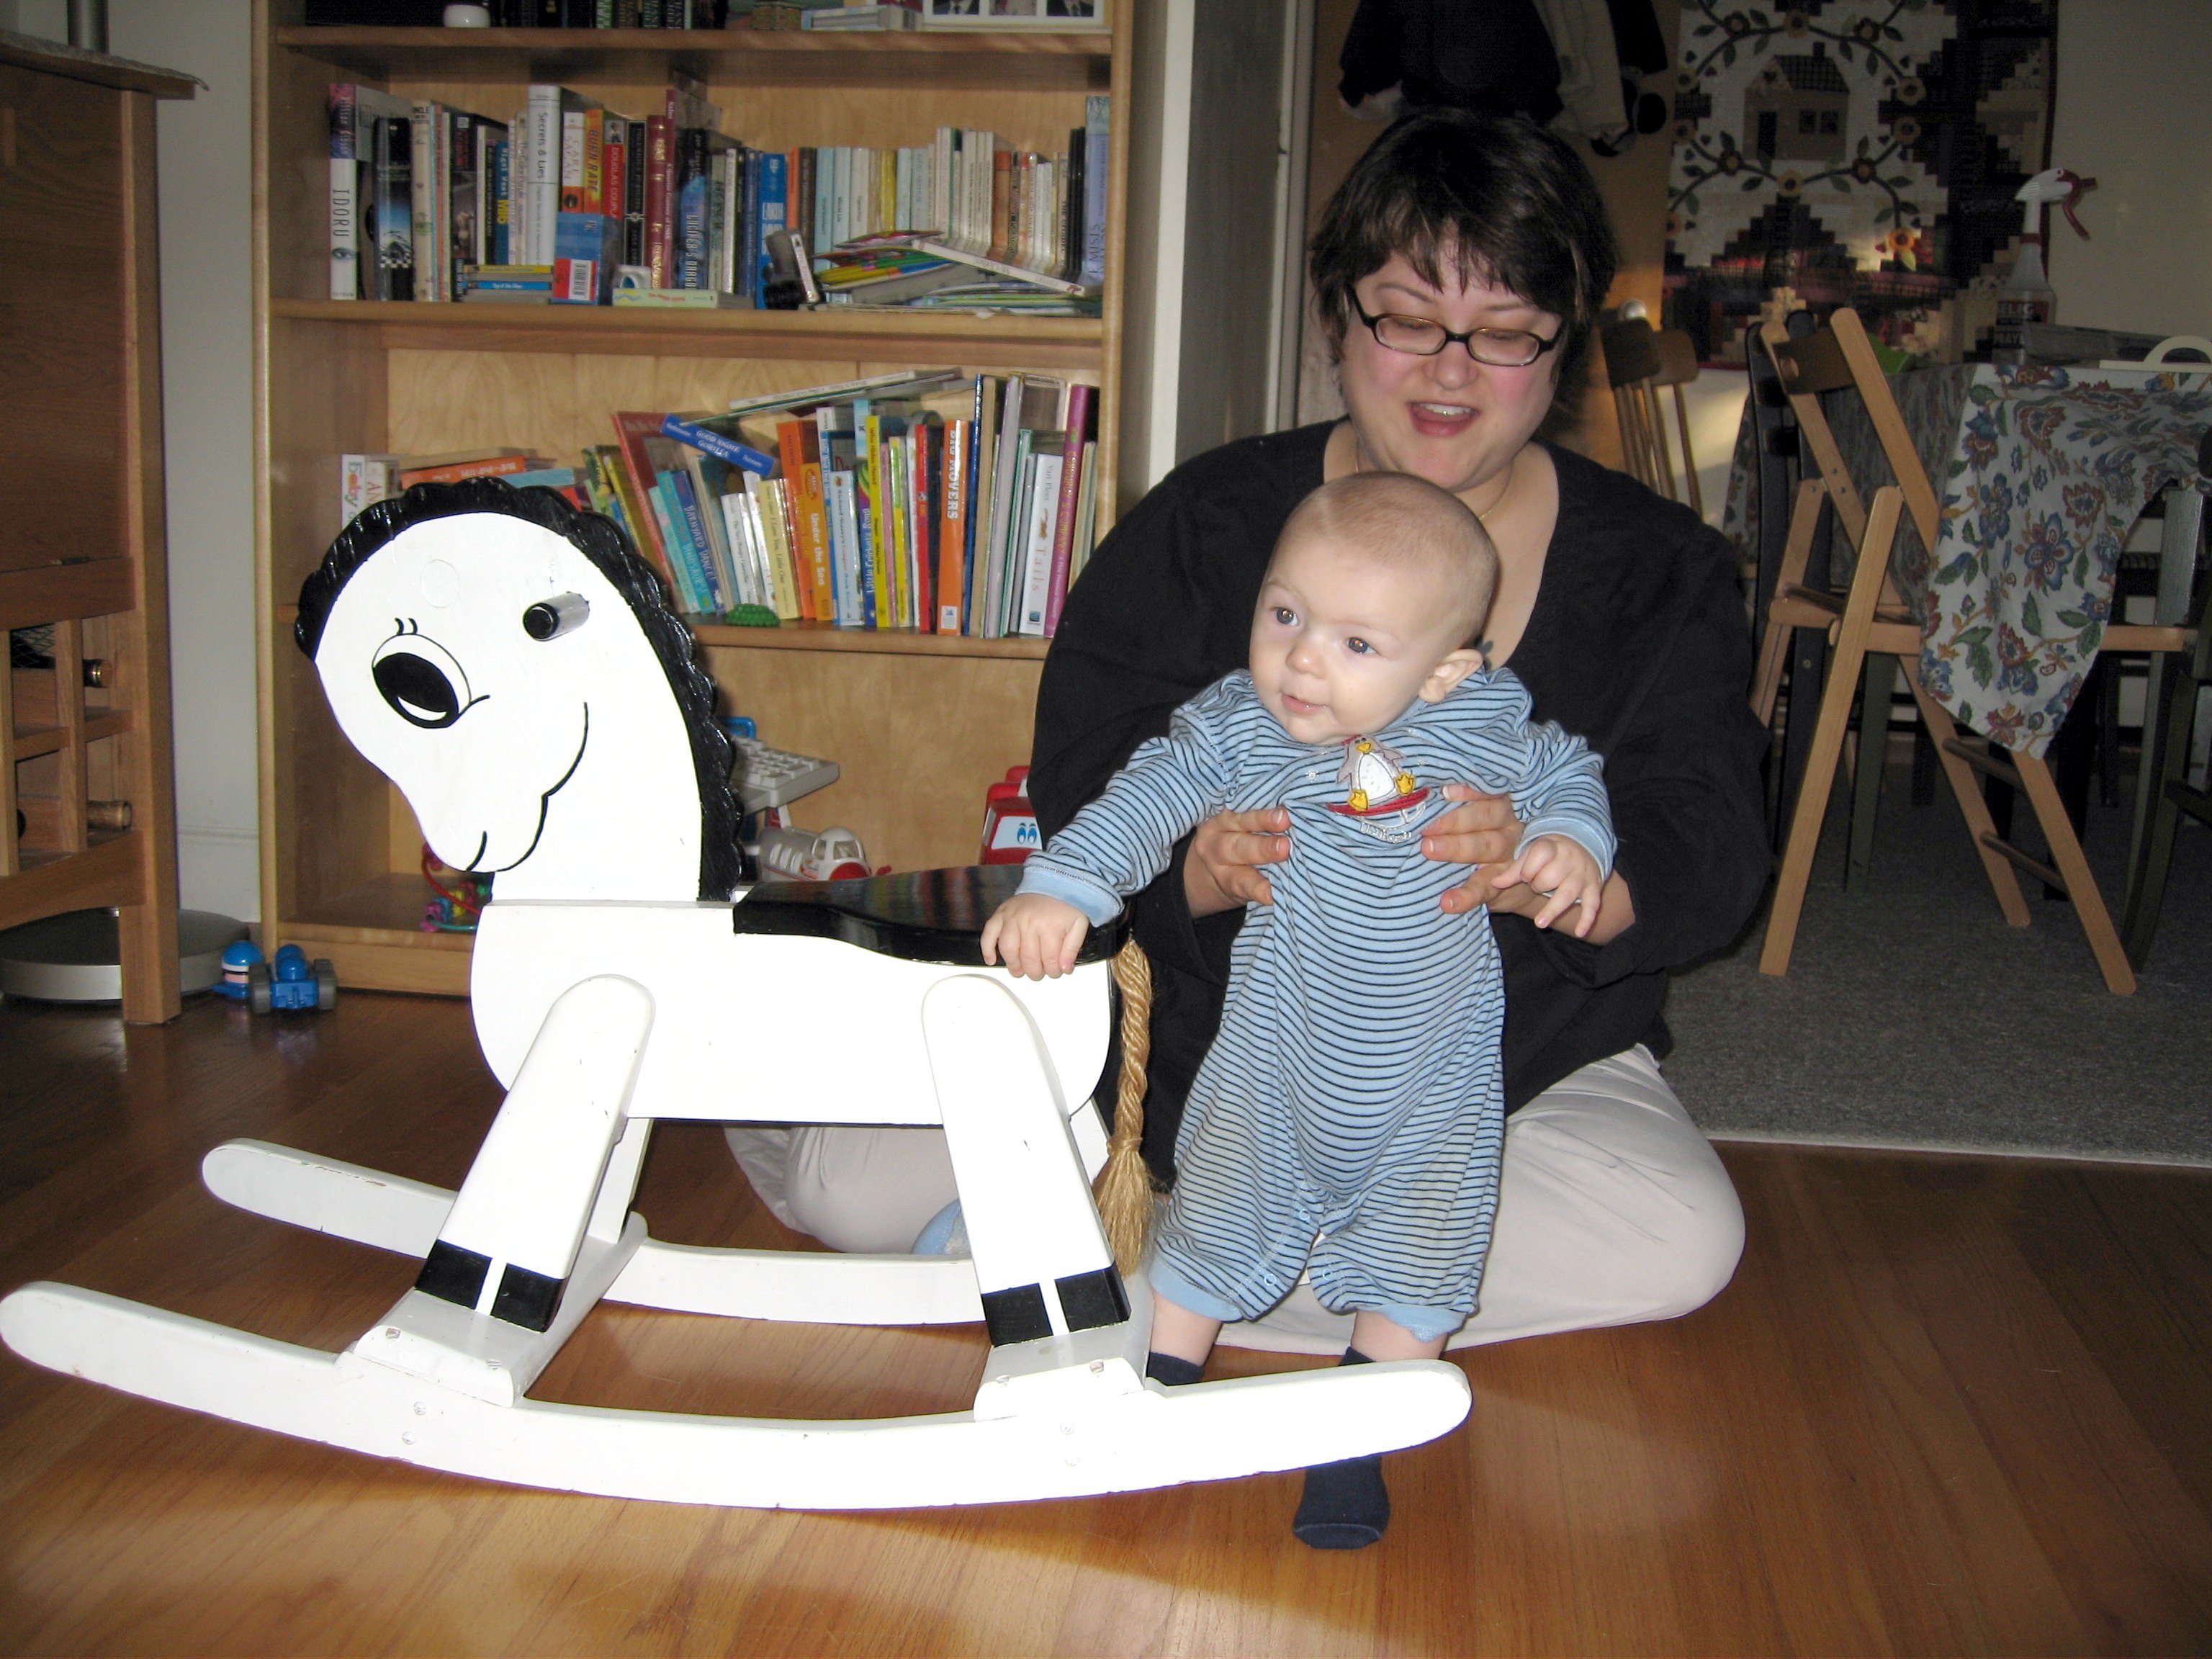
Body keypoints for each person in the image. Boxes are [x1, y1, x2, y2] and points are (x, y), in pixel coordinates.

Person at [729, 105, 1764, 1407]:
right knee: (841, 1184)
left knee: (1677, 1238)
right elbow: (1096, 773)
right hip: (1201, 1036)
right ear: (1338, 319)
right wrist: (1201, 874)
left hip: (1491, 1075)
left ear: (1564, 351)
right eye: (1406, 320)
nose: (1450, 373)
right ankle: (1279, 1281)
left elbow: (1710, 833)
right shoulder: (1207, 523)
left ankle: (1135, 1280)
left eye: (1506, 334)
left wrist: (1570, 878)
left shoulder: (1661, 571)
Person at [984, 471, 1614, 1547]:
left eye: (1357, 643)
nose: (1303, 660)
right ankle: (1161, 1385)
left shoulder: (1485, 724)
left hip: (1434, 1086)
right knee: (1211, 1227)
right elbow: (1146, 793)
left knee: (1425, 1260)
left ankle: (1353, 1440)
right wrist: (1067, 887)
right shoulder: (1241, 725)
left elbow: (1571, 772)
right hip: (1272, 1063)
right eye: (1285, 615)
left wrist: (1569, 842)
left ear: (1447, 669)